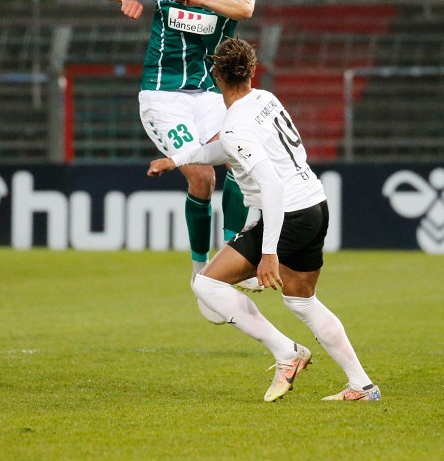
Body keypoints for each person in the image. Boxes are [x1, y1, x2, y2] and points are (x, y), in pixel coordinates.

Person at [148, 38, 380, 402]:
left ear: (215, 76)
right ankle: (362, 386)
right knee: (302, 302)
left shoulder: (235, 124)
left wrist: (268, 254)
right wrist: (176, 159)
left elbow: (269, 185)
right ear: (252, 72)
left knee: (206, 285)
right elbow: (225, 147)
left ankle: (287, 354)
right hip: (314, 205)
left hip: (286, 213)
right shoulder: (265, 99)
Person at [93, 0, 262, 317]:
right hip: (163, 96)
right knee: (202, 176)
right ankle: (199, 271)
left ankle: (230, 256)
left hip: (208, 94)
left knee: (241, 156)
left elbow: (245, 8)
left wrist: (200, 0)